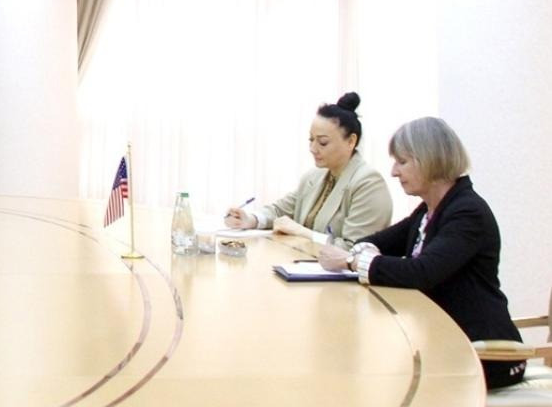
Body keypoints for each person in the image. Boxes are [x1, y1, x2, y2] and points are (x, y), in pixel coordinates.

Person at [318, 117, 525, 389]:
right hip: (448, 345)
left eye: (402, 162)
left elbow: (421, 272)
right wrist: (361, 255)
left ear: (429, 160)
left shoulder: (467, 212)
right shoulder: (429, 210)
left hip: (487, 355)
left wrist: (351, 261)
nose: (394, 172)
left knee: (378, 373)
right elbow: (373, 241)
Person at [225, 92, 393, 246]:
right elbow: (280, 210)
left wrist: (302, 232)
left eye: (323, 142)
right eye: (311, 140)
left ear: (351, 141)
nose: (313, 148)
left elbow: (355, 249)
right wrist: (251, 219)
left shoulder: (368, 183)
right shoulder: (315, 176)